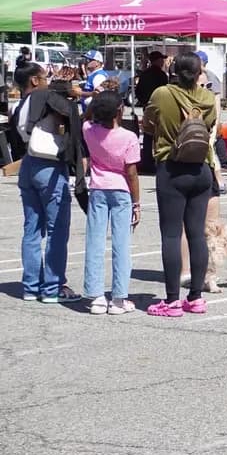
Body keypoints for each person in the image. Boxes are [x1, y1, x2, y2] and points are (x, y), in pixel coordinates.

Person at [147, 52, 217, 317]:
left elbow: (149, 123)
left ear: (173, 69)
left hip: (171, 165)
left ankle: (172, 299)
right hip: (202, 167)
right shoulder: (208, 98)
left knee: (172, 234)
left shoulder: (162, 93)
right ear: (200, 71)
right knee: (197, 233)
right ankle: (196, 296)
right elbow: (208, 127)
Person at [18, 62, 85, 303]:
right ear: (35, 81)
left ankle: (31, 286)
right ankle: (53, 287)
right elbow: (67, 115)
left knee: (32, 228)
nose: (49, 80)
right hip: (49, 166)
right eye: (45, 76)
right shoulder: (47, 99)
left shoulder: (24, 102)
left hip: (28, 163)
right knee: (57, 229)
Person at [82, 89, 141, 315]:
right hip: (121, 190)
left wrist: (94, 102)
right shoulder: (129, 137)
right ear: (119, 110)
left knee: (95, 242)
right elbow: (132, 173)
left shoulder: (89, 130)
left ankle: (96, 296)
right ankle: (118, 298)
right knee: (121, 244)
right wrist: (137, 203)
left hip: (97, 188)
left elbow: (86, 117)